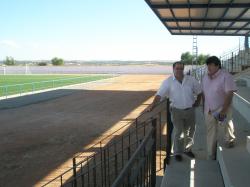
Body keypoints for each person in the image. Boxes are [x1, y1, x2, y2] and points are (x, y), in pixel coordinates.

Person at [149, 61, 202, 161]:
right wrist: (152, 105)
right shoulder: (168, 81)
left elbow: (199, 91)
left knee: (191, 130)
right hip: (176, 111)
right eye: (177, 68)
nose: (179, 70)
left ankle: (188, 149)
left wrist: (197, 102)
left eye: (181, 68)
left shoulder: (191, 80)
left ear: (183, 69)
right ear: (173, 69)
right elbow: (159, 95)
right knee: (179, 131)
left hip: (190, 110)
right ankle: (177, 152)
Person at [202, 56, 237, 160]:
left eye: (211, 65)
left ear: (217, 65)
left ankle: (229, 140)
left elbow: (229, 93)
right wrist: (204, 106)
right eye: (207, 64)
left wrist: (224, 110)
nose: (208, 67)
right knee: (210, 131)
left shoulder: (226, 76)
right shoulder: (205, 78)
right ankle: (211, 153)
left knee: (227, 125)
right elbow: (204, 93)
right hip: (208, 109)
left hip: (222, 108)